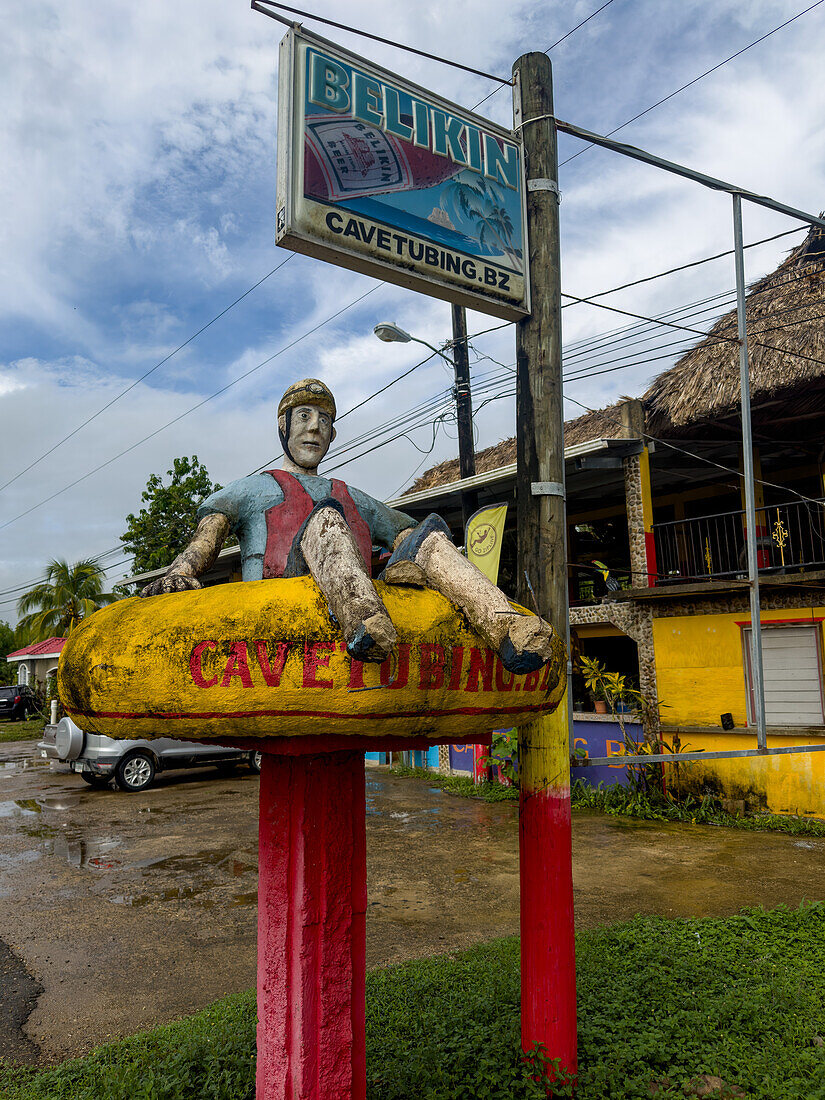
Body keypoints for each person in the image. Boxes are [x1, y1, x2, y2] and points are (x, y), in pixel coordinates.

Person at [142, 379, 555, 672]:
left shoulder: (350, 493)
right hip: (291, 598)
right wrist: (181, 572)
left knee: (426, 533)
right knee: (326, 517)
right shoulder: (255, 488)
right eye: (303, 416)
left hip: (360, 589)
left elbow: (404, 531)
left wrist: (410, 554)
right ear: (283, 426)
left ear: (333, 434)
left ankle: (506, 626)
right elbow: (208, 535)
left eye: (323, 421)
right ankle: (365, 622)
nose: (313, 428)